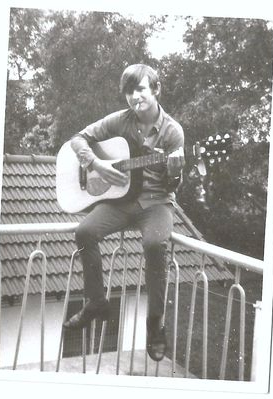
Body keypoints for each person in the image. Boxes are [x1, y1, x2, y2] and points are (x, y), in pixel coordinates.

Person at [63, 64, 185, 362]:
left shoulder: (173, 131)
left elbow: (174, 184)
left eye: (141, 89)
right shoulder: (120, 121)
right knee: (84, 232)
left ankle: (155, 324)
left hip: (156, 203)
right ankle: (95, 302)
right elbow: (78, 138)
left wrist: (176, 172)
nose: (134, 96)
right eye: (129, 91)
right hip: (120, 201)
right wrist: (95, 164)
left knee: (155, 245)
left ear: (156, 90)